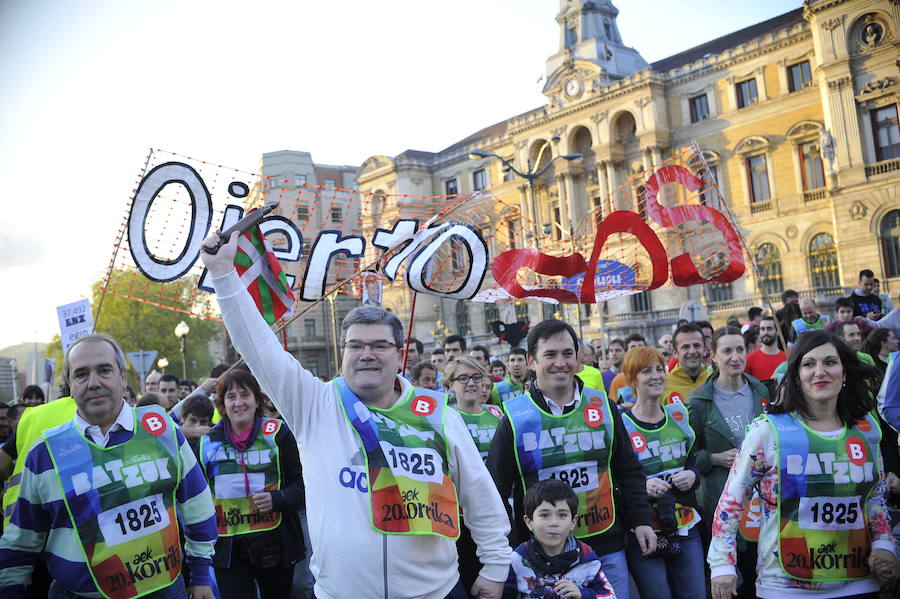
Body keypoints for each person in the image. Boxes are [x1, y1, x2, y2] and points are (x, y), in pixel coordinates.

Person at [201, 230, 511, 599]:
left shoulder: (439, 415)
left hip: (434, 592)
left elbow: (480, 496)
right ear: (342, 352)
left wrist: (495, 566)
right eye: (356, 345)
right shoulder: (313, 404)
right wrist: (222, 273)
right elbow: (258, 347)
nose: (368, 354)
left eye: (380, 345)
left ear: (399, 354)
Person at [0, 334, 217, 599]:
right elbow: (20, 541)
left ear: (122, 377)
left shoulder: (162, 431)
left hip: (165, 590)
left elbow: (198, 505)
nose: (93, 383)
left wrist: (202, 574)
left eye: (104, 370)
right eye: (81, 374)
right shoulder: (44, 453)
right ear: (70, 385)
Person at [708, 330, 898, 599]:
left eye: (830, 362)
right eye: (809, 364)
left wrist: (884, 544)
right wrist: (722, 564)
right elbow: (731, 500)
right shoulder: (768, 431)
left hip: (859, 581)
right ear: (796, 376)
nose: (820, 371)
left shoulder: (866, 429)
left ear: (844, 373)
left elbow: (874, 496)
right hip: (784, 585)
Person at [486, 319, 655, 599]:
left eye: (567, 353)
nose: (560, 363)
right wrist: (504, 547)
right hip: (542, 555)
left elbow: (628, 469)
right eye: (550, 355)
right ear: (532, 361)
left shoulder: (604, 406)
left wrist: (642, 520)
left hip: (605, 543)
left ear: (578, 358)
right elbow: (495, 490)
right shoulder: (514, 417)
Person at [198, 369, 305, 599]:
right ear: (222, 404)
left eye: (245, 395)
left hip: (273, 544)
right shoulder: (206, 442)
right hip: (227, 550)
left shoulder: (278, 434)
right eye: (231, 396)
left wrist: (278, 499)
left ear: (257, 400)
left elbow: (303, 485)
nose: (238, 403)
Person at [687, 326, 769, 599]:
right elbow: (686, 454)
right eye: (727, 351)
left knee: (763, 569)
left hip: (763, 499)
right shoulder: (699, 401)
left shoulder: (762, 391)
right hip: (722, 499)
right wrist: (711, 458)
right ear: (713, 357)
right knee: (733, 579)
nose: (735, 357)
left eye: (740, 349)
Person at [620, 347, 705, 599]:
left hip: (685, 525)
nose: (656, 376)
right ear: (632, 379)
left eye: (660, 369)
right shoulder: (621, 425)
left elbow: (693, 461)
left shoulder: (679, 416)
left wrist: (693, 476)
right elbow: (614, 478)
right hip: (644, 530)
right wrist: (642, 487)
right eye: (647, 371)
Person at [502, 480, 616, 599]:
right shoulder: (517, 560)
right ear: (529, 522)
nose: (554, 523)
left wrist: (583, 594)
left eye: (562, 515)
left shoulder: (586, 557)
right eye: (545, 515)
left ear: (573, 522)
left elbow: (610, 595)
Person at [446, 357, 504, 591]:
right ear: (450, 384)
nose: (471, 383)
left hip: (495, 514)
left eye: (477, 377)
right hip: (457, 520)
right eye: (462, 378)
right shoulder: (442, 418)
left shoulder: (499, 415)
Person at [661, 323, 710, 405]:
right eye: (685, 347)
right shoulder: (663, 386)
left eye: (697, 345)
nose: (692, 351)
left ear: (704, 350)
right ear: (675, 353)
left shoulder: (715, 380)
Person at [745, 316, 786, 382]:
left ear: (778, 331)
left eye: (769, 329)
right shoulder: (749, 359)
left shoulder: (786, 358)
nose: (765, 332)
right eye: (762, 329)